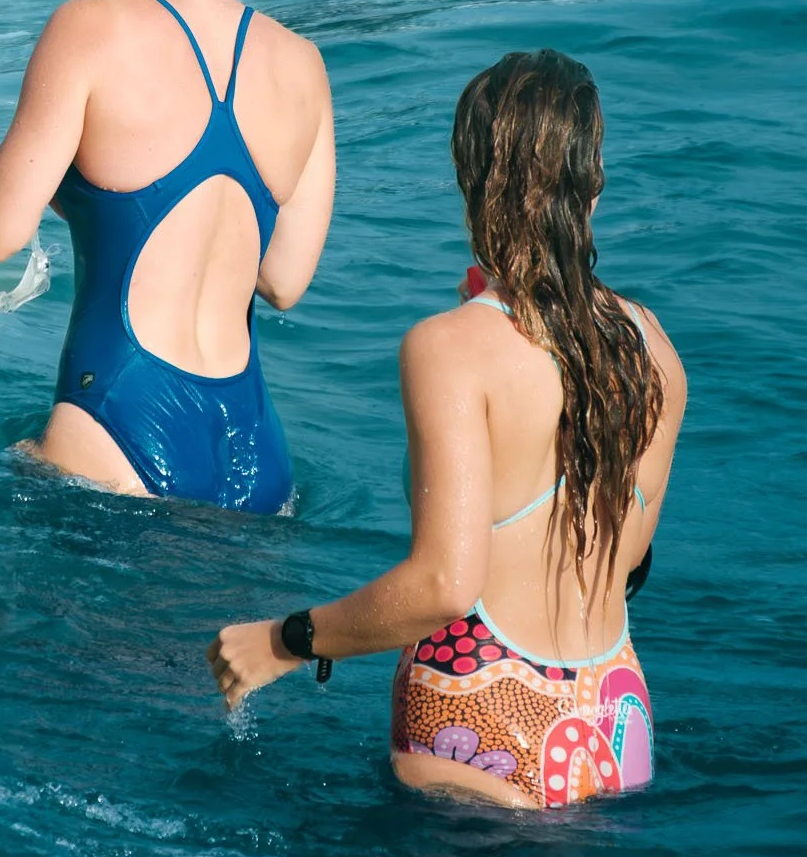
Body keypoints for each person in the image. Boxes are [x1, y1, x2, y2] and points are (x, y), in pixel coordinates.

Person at [206, 51, 685, 808]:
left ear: (470, 184)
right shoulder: (653, 347)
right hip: (612, 719)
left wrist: (282, 642)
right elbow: (623, 566)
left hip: (475, 723)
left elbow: (443, 586)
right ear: (591, 186)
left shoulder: (450, 347)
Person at [0, 0, 335, 513]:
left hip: (116, 422)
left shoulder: (89, 29)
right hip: (255, 447)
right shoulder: (301, 63)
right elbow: (285, 280)